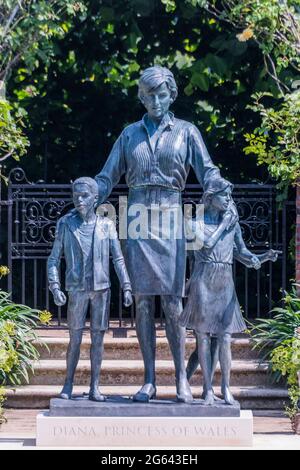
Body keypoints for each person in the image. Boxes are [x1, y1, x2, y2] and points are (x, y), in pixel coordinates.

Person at [95, 66, 222, 403]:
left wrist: (219, 190)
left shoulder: (187, 132)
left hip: (170, 217)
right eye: (149, 94)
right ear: (141, 97)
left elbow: (207, 171)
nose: (156, 100)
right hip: (136, 216)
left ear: (172, 95)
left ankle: (181, 378)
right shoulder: (129, 135)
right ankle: (149, 379)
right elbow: (107, 177)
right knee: (142, 302)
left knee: (172, 302)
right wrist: (90, 193)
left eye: (162, 93)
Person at [180, 178, 280, 405]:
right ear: (210, 197)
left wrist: (261, 257)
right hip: (203, 281)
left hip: (224, 282)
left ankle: (225, 387)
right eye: (224, 195)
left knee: (225, 338)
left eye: (229, 196)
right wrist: (225, 224)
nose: (228, 200)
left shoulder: (231, 224)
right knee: (203, 337)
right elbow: (207, 244)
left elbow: (241, 253)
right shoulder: (194, 223)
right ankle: (207, 389)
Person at [48, 177, 133, 401]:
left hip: (101, 289)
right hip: (76, 289)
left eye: (84, 196)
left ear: (96, 199)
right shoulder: (66, 224)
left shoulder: (106, 225)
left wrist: (126, 285)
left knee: (98, 339)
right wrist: (55, 287)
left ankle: (95, 386)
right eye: (76, 195)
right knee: (74, 339)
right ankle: (68, 383)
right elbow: (53, 260)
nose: (79, 200)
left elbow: (118, 259)